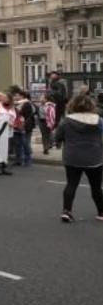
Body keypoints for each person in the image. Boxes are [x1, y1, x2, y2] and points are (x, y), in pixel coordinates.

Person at [53, 95, 103, 223]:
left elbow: (57, 137)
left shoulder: (67, 121)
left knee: (71, 184)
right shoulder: (99, 120)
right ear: (91, 106)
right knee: (96, 187)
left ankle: (66, 211)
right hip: (94, 157)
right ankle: (101, 212)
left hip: (72, 157)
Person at [0, 92, 15, 176]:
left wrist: (15, 124)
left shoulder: (13, 107)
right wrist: (3, 122)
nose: (3, 99)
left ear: (9, 99)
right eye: (2, 97)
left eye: (5, 97)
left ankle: (4, 167)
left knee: (6, 150)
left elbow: (17, 118)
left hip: (9, 132)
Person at [14, 90, 35, 167]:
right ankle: (19, 160)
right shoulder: (15, 104)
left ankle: (28, 159)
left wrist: (15, 110)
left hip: (25, 126)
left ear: (21, 96)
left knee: (25, 143)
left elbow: (23, 114)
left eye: (16, 95)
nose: (15, 97)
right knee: (17, 144)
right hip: (16, 126)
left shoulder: (26, 104)